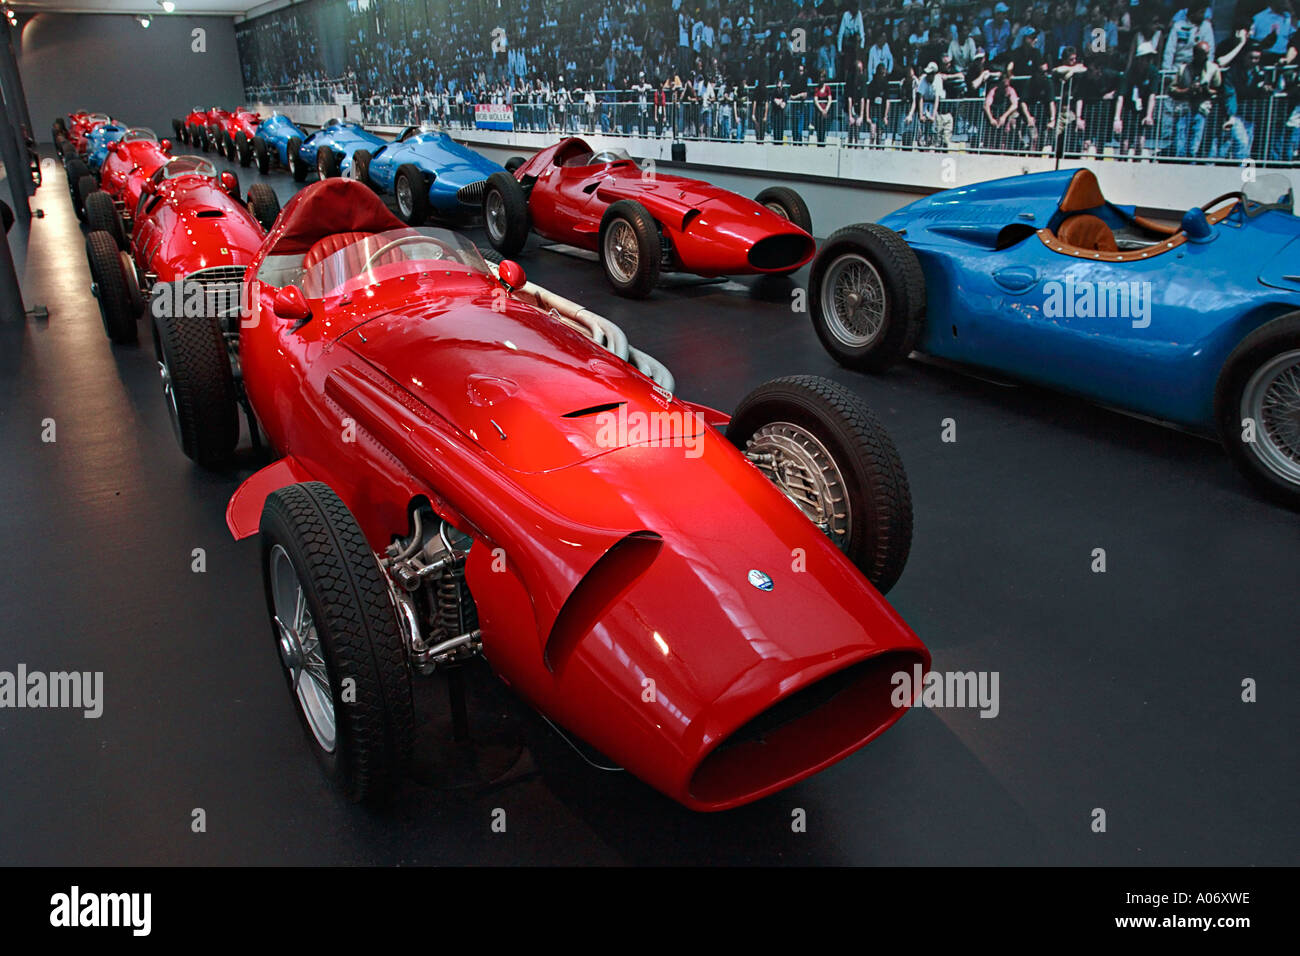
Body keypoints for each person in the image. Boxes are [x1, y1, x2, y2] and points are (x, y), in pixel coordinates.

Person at [1171, 40, 1222, 159]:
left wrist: (1206, 90)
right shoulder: (1183, 69)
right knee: (1180, 145)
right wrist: (1188, 90)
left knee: (1194, 146)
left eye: (1207, 54)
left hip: (1202, 110)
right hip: (1184, 109)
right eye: (1202, 54)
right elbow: (1171, 89)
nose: (1205, 57)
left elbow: (1218, 90)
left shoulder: (1213, 68)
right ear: (1195, 54)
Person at [984, 70, 1020, 150]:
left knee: (1012, 122)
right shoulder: (993, 91)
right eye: (1004, 86)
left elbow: (1015, 105)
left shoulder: (1010, 90)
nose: (1006, 88)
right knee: (992, 133)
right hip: (995, 114)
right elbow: (986, 105)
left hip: (1006, 114)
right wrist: (991, 119)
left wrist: (1004, 116)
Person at [866, 61, 892, 144]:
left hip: (881, 112)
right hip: (873, 111)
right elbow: (868, 100)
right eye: (881, 73)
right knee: (872, 134)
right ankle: (871, 148)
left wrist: (885, 116)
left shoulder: (886, 85)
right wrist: (867, 116)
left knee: (880, 135)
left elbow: (887, 101)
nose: (882, 75)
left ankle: (879, 149)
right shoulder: (872, 84)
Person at [813, 69, 834, 144]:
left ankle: (823, 143)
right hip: (819, 112)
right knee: (819, 130)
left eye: (822, 77)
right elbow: (815, 100)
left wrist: (826, 110)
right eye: (820, 77)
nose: (821, 79)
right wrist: (821, 110)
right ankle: (819, 143)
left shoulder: (827, 88)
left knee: (824, 129)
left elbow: (830, 99)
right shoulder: (816, 88)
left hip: (825, 112)